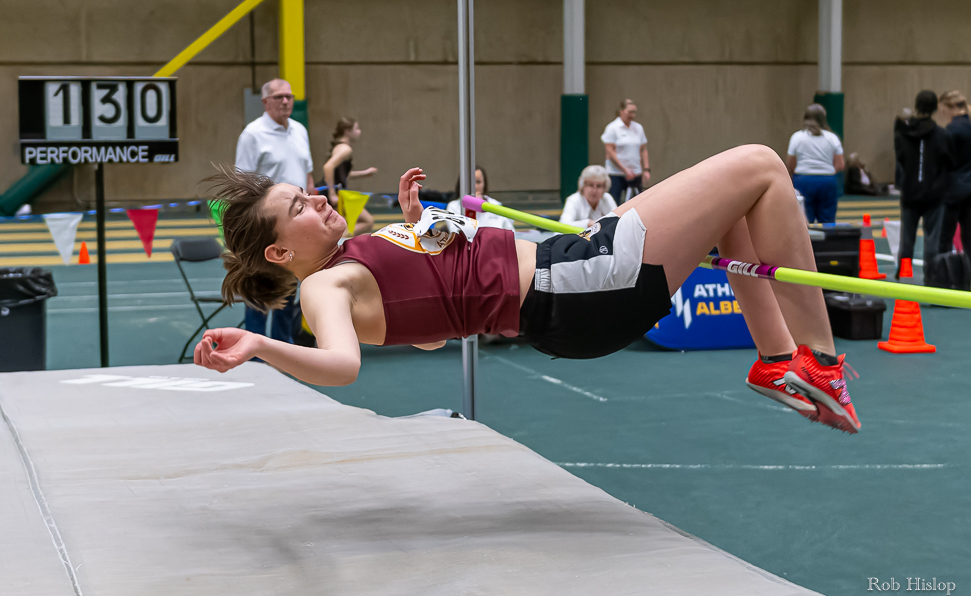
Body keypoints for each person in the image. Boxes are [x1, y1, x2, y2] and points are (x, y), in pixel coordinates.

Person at [195, 145, 862, 434]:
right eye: (300, 206)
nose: (318, 197)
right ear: (280, 252)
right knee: (762, 166)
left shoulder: (349, 260)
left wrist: (416, 234)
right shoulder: (326, 287)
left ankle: (779, 360)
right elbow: (342, 366)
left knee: (734, 206)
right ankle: (822, 362)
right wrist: (260, 346)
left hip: (569, 283)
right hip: (575, 282)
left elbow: (428, 334)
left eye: (307, 191)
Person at [234, 78, 314, 344]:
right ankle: (255, 350)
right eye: (279, 97)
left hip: (296, 226)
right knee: (260, 287)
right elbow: (242, 184)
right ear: (265, 102)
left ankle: (283, 347)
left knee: (288, 289)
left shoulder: (300, 130)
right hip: (264, 226)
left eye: (289, 96)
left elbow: (307, 176)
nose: (286, 101)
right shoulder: (252, 135)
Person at [894, 90, 952, 283]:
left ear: (916, 106)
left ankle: (904, 276)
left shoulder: (902, 133)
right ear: (935, 108)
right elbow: (949, 162)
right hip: (934, 194)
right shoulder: (942, 135)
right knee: (932, 240)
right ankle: (931, 278)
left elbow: (901, 160)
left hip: (910, 193)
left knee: (907, 239)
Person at [938, 90, 971, 278]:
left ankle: (943, 278)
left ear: (946, 107)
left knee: (945, 237)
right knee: (969, 235)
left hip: (953, 190)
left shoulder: (951, 130)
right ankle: (967, 276)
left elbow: (943, 161)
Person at [785, 104, 844, 224]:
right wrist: (827, 171)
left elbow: (790, 163)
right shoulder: (832, 138)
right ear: (823, 118)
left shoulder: (797, 137)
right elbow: (840, 164)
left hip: (803, 180)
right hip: (827, 181)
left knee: (803, 222)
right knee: (828, 223)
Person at [323, 117, 377, 235]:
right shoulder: (346, 149)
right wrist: (332, 193)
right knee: (368, 221)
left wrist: (364, 173)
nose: (359, 131)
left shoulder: (339, 146)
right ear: (347, 131)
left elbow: (340, 174)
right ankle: (335, 240)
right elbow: (328, 167)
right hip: (338, 194)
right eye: (356, 128)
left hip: (338, 193)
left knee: (343, 225)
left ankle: (336, 239)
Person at [602, 99, 650, 205]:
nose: (632, 115)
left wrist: (646, 169)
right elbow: (610, 152)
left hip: (635, 172)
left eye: (634, 112)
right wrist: (624, 170)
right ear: (622, 111)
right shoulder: (612, 128)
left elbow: (643, 149)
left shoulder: (638, 128)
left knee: (637, 203)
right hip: (616, 173)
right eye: (630, 112)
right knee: (615, 203)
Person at [447, 166, 512, 231]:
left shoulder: (496, 205)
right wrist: (471, 206)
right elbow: (456, 232)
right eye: (470, 182)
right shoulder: (453, 207)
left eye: (478, 182)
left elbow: (511, 232)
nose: (474, 187)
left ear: (484, 184)